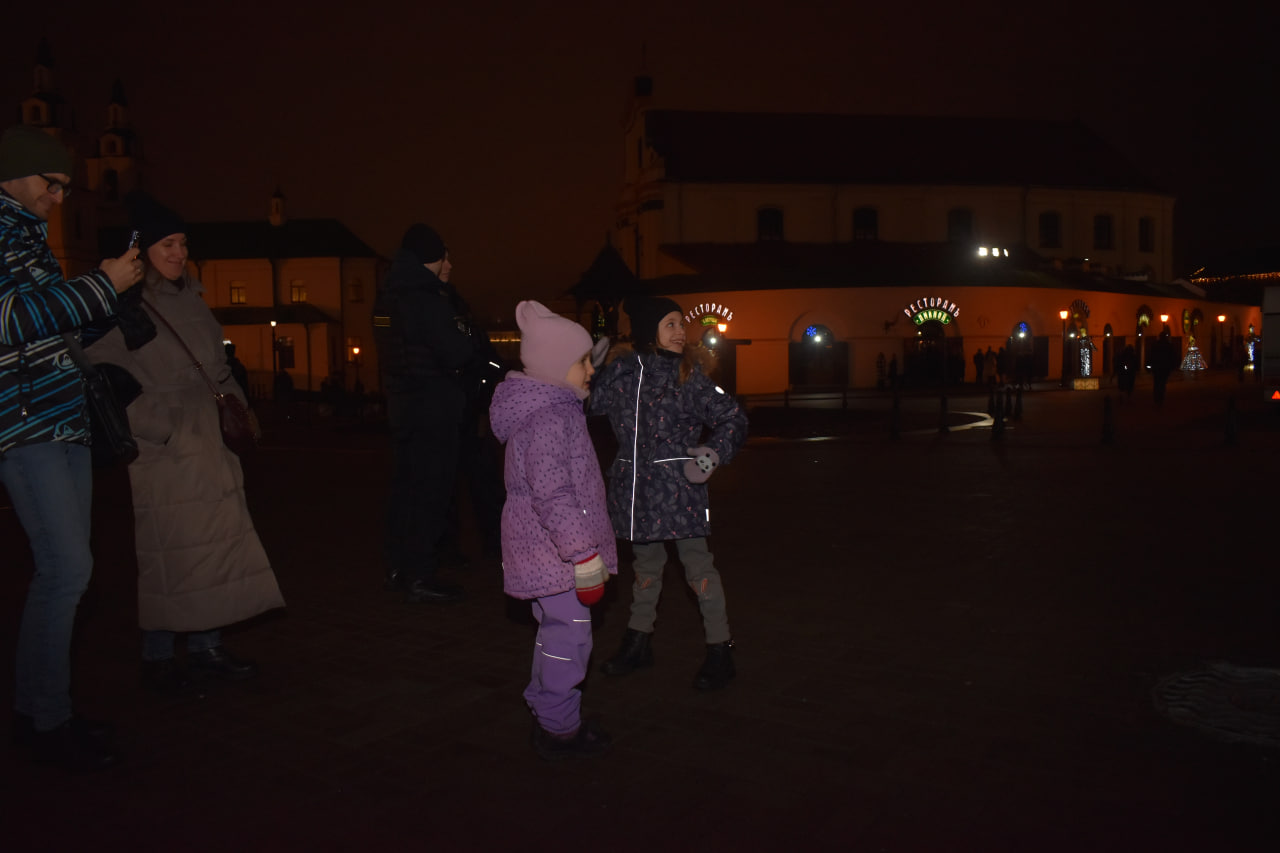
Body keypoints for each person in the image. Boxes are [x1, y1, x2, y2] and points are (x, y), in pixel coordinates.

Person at [86, 192, 284, 694]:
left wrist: (240, 407)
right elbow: (104, 376)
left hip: (211, 446)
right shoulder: (121, 304)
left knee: (212, 553)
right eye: (167, 243)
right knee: (170, 555)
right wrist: (164, 427)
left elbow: (218, 365)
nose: (179, 253)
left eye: (183, 243)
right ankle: (157, 658)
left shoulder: (192, 298)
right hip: (168, 453)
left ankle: (206, 647)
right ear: (140, 250)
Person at [0, 124, 142, 770]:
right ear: (14, 172)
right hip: (24, 425)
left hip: (62, 419)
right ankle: (43, 717)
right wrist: (100, 285)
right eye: (49, 183)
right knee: (67, 569)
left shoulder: (28, 237)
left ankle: (42, 710)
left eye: (62, 186)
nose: (58, 198)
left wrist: (106, 303)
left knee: (67, 570)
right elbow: (12, 320)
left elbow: (47, 324)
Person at [589, 295, 748, 690]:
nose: (682, 333)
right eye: (671, 324)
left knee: (698, 570)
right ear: (649, 332)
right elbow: (588, 406)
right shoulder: (623, 372)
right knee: (645, 570)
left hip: (681, 492)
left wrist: (713, 454)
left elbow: (733, 418)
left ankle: (719, 649)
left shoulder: (688, 376)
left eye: (681, 324)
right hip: (636, 496)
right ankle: (638, 643)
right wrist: (588, 370)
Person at [489, 301, 616, 760]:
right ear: (555, 365)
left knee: (558, 633)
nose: (590, 370)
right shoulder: (549, 418)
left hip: (547, 550)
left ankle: (549, 710)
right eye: (582, 361)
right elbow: (553, 494)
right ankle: (559, 728)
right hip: (557, 554)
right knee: (571, 637)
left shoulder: (554, 411)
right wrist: (583, 553)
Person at [372, 223, 480, 603]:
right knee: (431, 494)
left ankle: (399, 568)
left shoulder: (389, 294)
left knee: (406, 492)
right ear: (431, 256)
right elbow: (457, 352)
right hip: (433, 407)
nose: (449, 262)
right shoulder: (427, 296)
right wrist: (464, 337)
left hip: (403, 406)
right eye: (444, 254)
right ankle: (420, 573)